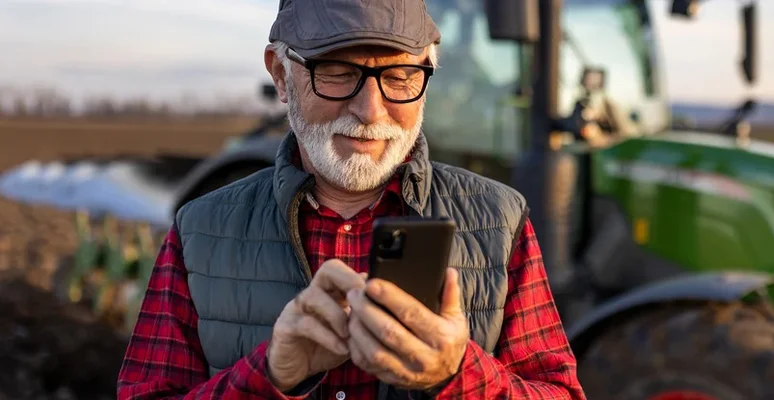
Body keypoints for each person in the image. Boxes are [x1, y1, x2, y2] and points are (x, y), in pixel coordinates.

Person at [115, 0, 585, 398]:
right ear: (281, 74)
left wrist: (458, 374)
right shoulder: (200, 230)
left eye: (400, 76)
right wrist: (269, 374)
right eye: (338, 73)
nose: (370, 111)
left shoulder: (500, 221)